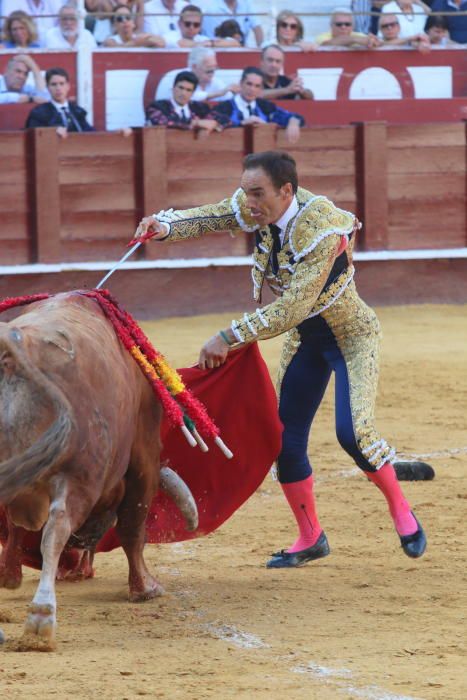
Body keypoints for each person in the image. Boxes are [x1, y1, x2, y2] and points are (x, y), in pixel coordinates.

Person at [133, 150, 428, 567]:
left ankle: (401, 509)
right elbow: (214, 216)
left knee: (353, 433)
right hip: (306, 340)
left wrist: (229, 335)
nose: (248, 202)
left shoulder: (322, 228)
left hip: (350, 336)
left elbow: (292, 307)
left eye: (257, 194)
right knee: (285, 442)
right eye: (245, 192)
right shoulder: (256, 206)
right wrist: (164, 227)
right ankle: (311, 537)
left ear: (286, 191)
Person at [211, 67, 304, 144]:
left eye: (257, 86)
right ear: (241, 83)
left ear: (261, 89)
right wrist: (242, 124)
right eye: (249, 84)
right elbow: (215, 123)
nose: (252, 89)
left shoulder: (265, 106)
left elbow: (293, 116)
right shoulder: (224, 107)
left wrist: (293, 122)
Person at [145, 70, 225, 133]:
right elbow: (162, 122)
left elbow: (224, 119)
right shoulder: (157, 106)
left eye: (188, 90)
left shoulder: (200, 107)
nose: (183, 93)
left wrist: (213, 123)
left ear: (193, 93)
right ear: (173, 88)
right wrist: (196, 123)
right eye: (181, 88)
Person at [25, 67, 94, 136]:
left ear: (68, 86)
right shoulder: (39, 113)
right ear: (48, 88)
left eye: (62, 84)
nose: (58, 88)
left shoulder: (78, 112)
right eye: (53, 84)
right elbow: (33, 134)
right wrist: (52, 131)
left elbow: (92, 135)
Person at [155, 47, 240, 101]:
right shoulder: (175, 77)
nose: (212, 73)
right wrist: (219, 93)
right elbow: (188, 96)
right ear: (194, 66)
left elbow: (227, 97)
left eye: (214, 69)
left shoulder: (214, 81)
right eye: (209, 70)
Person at [162, 4, 241, 48]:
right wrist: (200, 45)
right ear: (179, 23)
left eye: (196, 25)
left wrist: (211, 44)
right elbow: (182, 43)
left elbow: (235, 43)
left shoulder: (203, 39)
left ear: (201, 26)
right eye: (187, 24)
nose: (191, 27)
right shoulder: (169, 37)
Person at [315, 7, 382, 48]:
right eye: (339, 24)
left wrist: (374, 41)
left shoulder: (359, 36)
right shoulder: (322, 37)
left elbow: (377, 44)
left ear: (353, 26)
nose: (343, 27)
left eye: (347, 24)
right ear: (331, 26)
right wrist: (354, 40)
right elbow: (326, 45)